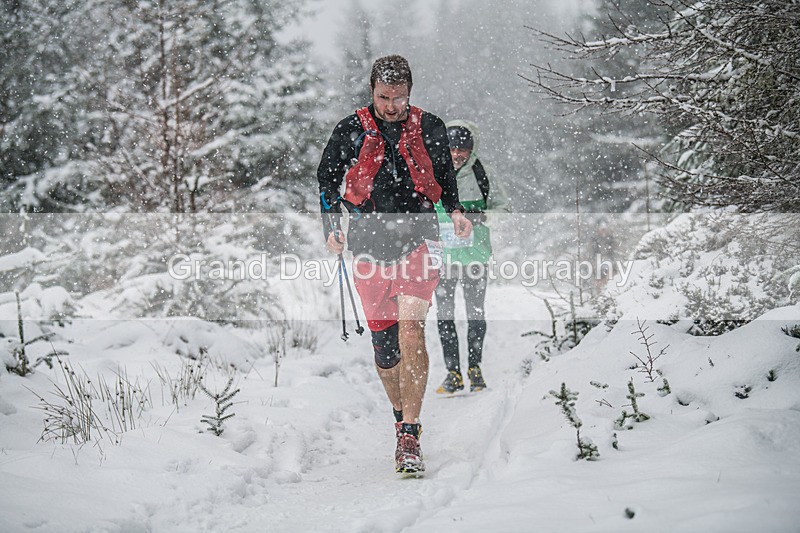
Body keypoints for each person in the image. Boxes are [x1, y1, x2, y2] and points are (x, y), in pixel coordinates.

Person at [317, 55, 472, 474]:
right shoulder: (350, 130)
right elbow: (327, 179)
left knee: (411, 330)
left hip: (419, 240)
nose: (391, 106)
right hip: (368, 246)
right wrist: (331, 225)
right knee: (386, 351)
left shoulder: (430, 127)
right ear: (372, 91)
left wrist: (456, 211)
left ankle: (410, 431)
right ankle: (400, 415)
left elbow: (445, 177)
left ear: (410, 93)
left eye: (399, 97)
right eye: (384, 97)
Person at [434, 120, 511, 394]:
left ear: (472, 149)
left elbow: (504, 210)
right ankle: (453, 373)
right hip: (442, 258)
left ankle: (474, 368)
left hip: (475, 257)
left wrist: (482, 217)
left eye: (463, 149)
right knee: (444, 315)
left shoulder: (483, 173)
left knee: (475, 313)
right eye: (452, 148)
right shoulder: (433, 172)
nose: (457, 154)